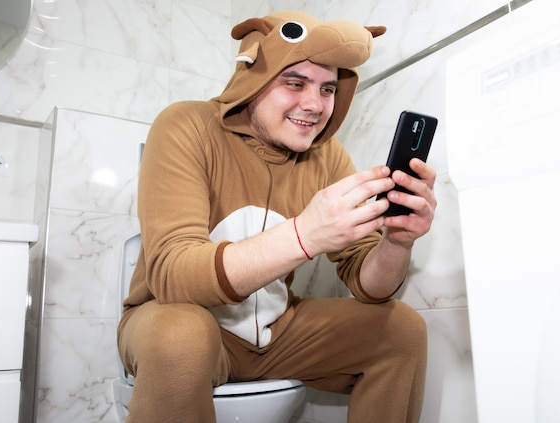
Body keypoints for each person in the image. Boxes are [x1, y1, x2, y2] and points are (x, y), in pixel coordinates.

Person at [117, 10, 436, 423]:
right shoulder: (186, 125)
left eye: (327, 89)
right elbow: (173, 276)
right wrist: (304, 236)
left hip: (275, 334)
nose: (314, 105)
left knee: (401, 330)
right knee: (183, 334)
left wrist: (397, 241)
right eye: (295, 83)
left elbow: (369, 286)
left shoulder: (328, 156)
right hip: (174, 323)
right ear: (255, 79)